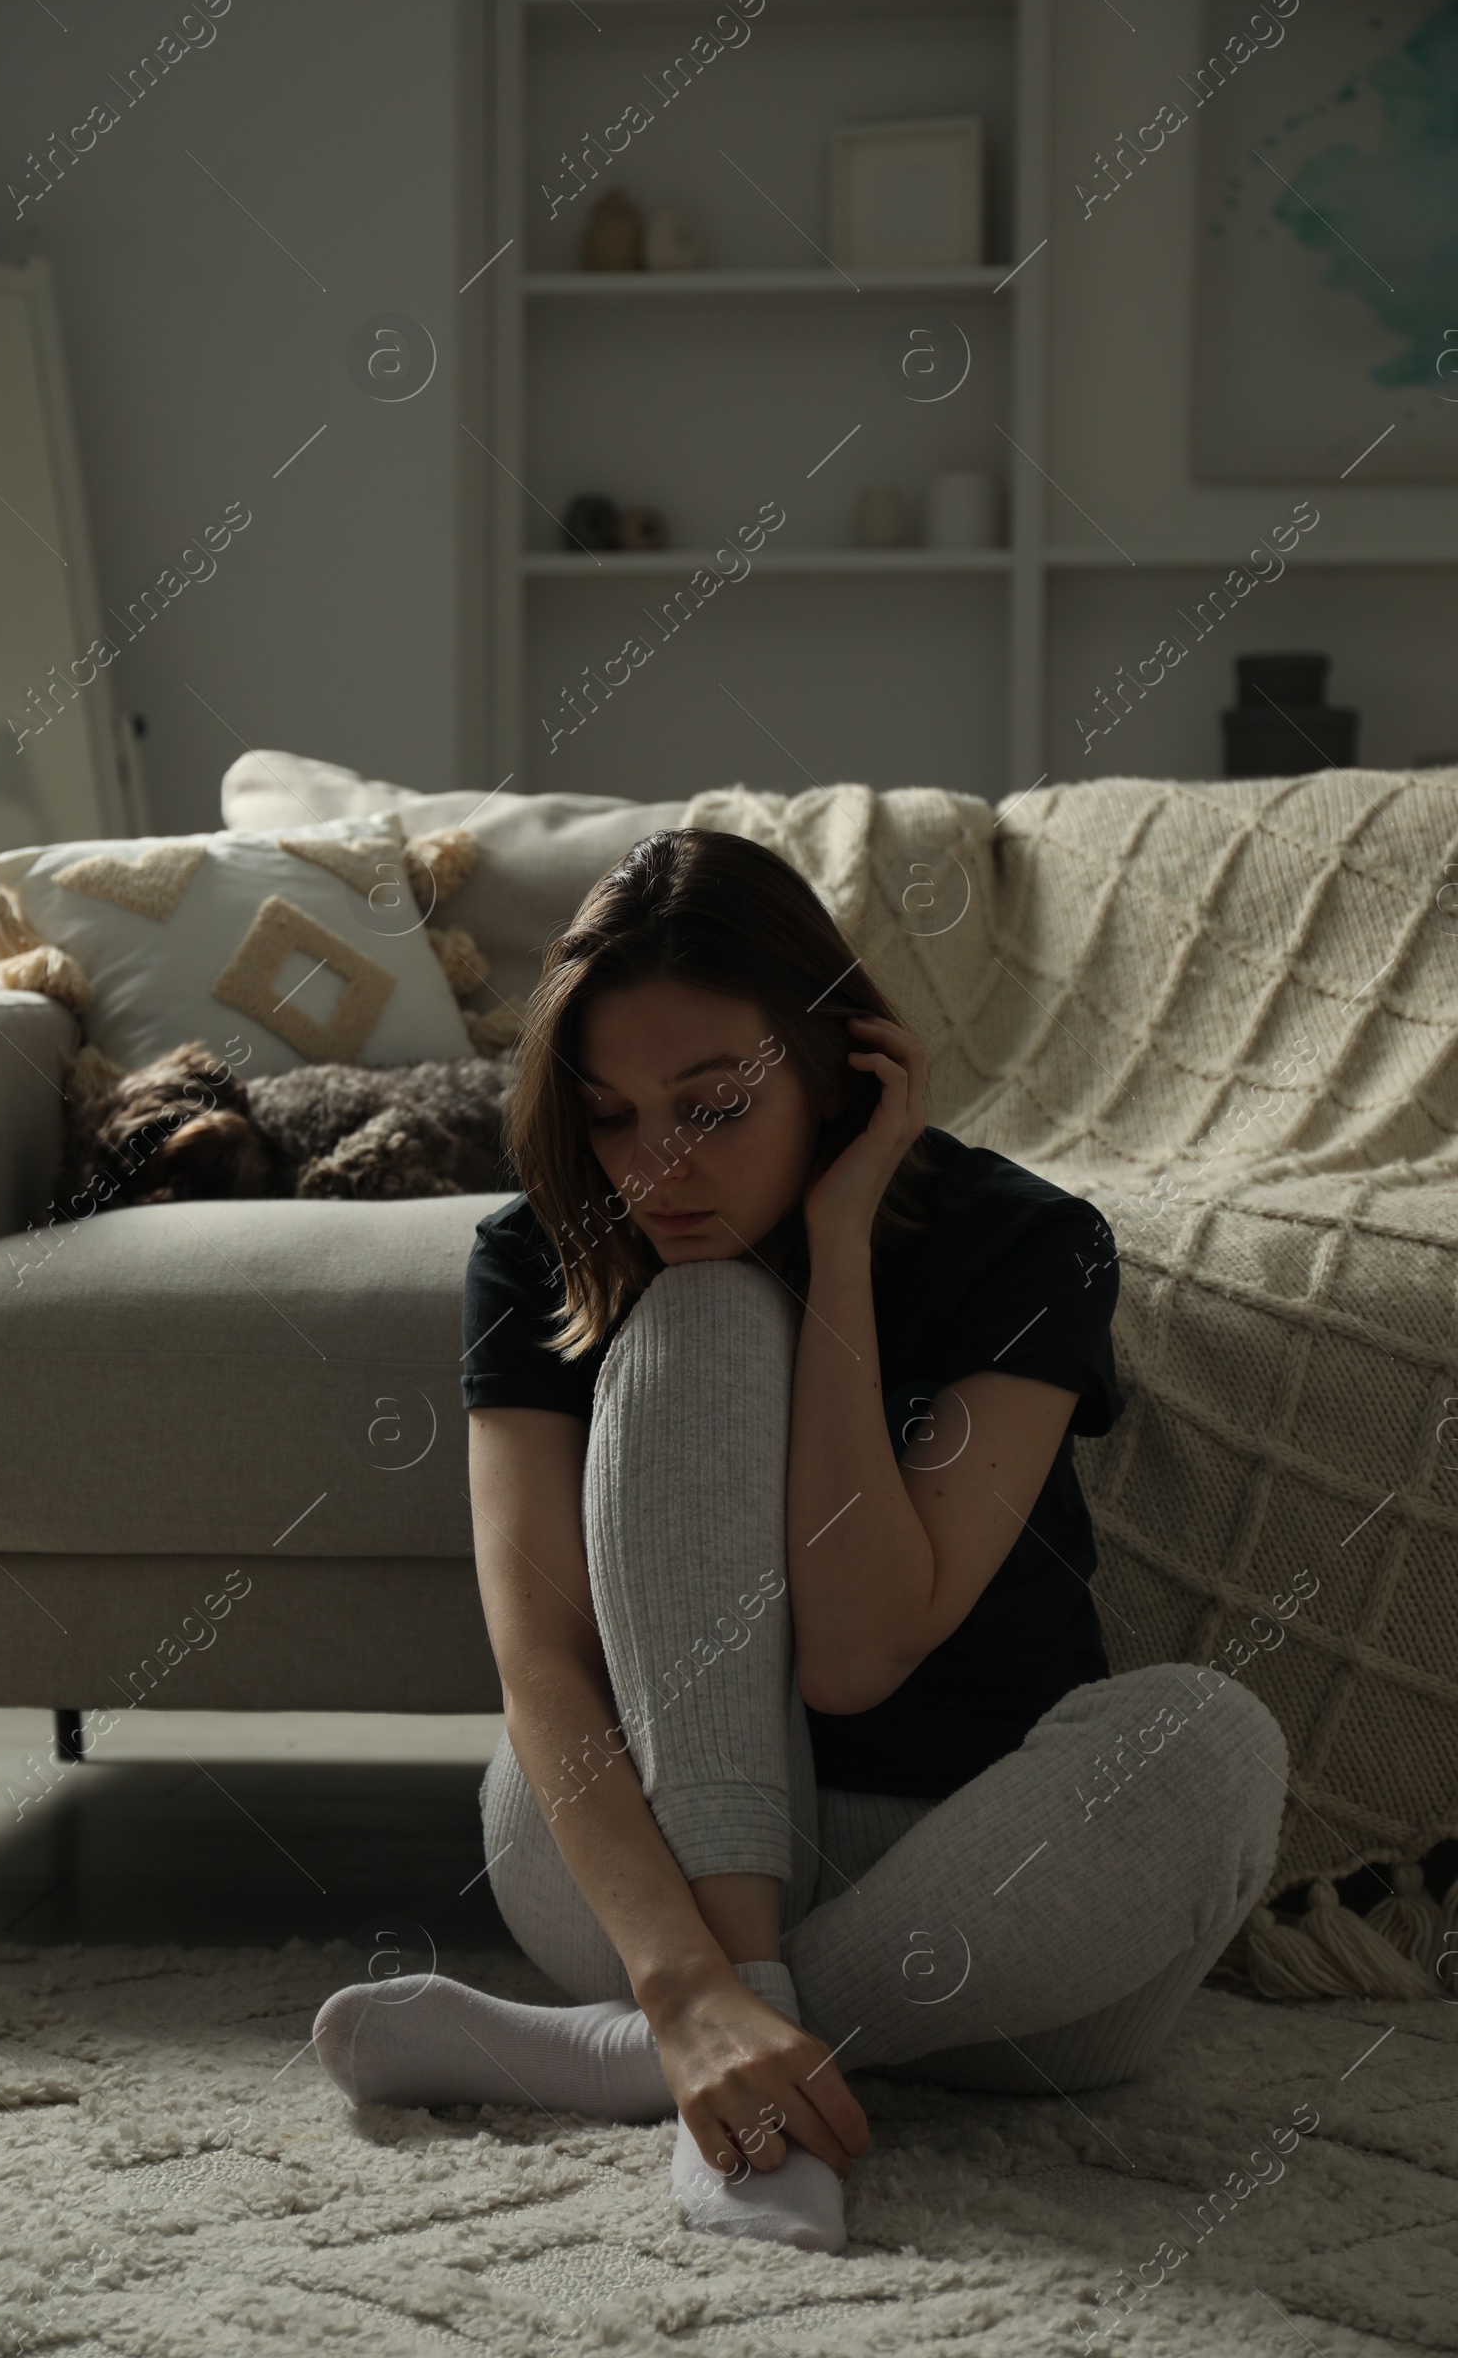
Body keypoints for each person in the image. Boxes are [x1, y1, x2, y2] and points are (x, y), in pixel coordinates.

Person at [314, 829, 1287, 2254]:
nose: (655, 1168)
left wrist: (838, 1256)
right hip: (656, 1885)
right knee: (689, 1343)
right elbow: (542, 1661)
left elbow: (855, 1652)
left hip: (1009, 1902)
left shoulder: (1024, 1244)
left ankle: (625, 2053)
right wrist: (685, 1976)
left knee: (1215, 1745)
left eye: (712, 1107)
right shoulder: (539, 1256)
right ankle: (712, 2023)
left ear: (839, 1070)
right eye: (611, 1116)